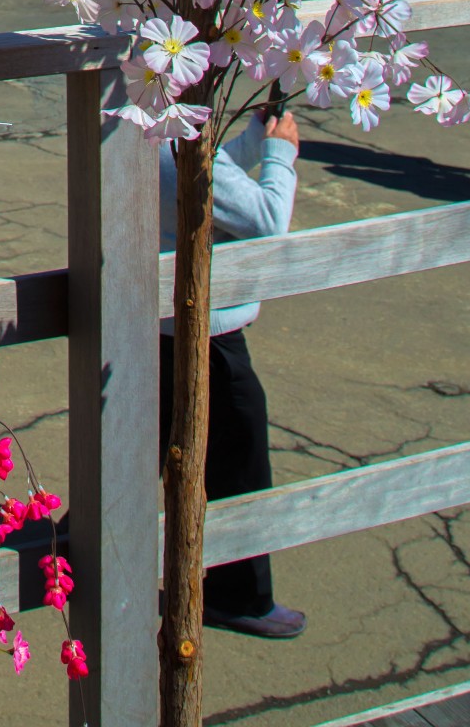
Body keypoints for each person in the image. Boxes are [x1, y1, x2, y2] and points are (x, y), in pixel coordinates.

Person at [159, 110, 306, 640]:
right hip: (207, 331)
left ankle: (78, 551)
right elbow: (267, 221)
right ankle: (238, 593)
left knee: (139, 444)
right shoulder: (178, 145)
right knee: (239, 456)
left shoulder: (152, 129)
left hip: (165, 324)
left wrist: (253, 139)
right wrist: (281, 154)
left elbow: (221, 174)